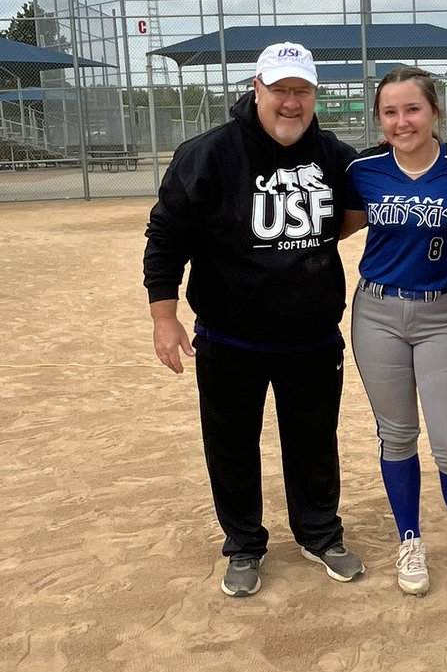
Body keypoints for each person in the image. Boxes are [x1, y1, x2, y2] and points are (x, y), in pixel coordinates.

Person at [143, 42, 365, 597]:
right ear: (257, 87)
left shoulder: (334, 155)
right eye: (281, 90)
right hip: (229, 334)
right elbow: (167, 237)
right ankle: (243, 543)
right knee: (231, 443)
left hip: (312, 336)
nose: (291, 103)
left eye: (302, 92)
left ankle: (319, 533)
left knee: (314, 440)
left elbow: (372, 203)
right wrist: (163, 317)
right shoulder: (209, 154)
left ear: (315, 96)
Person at [342, 67, 447, 597]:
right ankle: (411, 539)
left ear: (434, 113)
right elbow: (333, 227)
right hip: (376, 312)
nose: (402, 122)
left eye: (412, 109)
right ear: (379, 119)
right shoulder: (363, 169)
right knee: (398, 435)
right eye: (390, 111)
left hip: (442, 314)